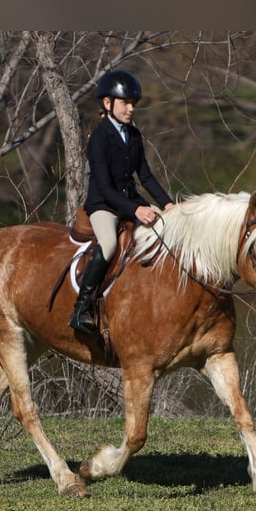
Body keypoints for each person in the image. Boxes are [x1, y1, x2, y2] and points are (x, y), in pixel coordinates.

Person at [69, 70, 174, 335]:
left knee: (161, 235)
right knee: (109, 243)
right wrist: (137, 209)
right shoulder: (100, 138)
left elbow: (146, 176)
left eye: (133, 104)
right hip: (103, 205)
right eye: (125, 103)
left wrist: (168, 204)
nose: (131, 108)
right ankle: (82, 308)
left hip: (130, 202)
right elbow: (104, 187)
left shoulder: (134, 135)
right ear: (108, 104)